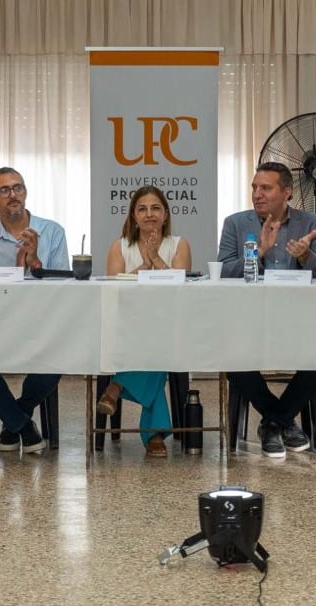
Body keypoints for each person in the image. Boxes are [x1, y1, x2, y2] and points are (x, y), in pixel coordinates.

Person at [217, 161, 316, 458]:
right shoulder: (235, 224)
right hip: (250, 318)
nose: (257, 194)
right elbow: (224, 272)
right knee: (230, 357)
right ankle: (281, 420)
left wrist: (306, 256)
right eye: (254, 187)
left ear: (287, 192)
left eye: (266, 188)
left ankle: (273, 422)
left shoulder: (311, 223)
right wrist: (260, 251)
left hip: (299, 319)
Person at [0, 166, 69, 455]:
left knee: (58, 359)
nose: (13, 195)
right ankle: (23, 426)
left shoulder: (52, 231)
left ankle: (13, 422)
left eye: (18, 188)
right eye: (5, 190)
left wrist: (35, 264)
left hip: (41, 325)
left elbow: (64, 287)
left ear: (25, 192)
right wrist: (15, 272)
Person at [98, 185, 192, 457]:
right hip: (127, 325)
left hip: (169, 323)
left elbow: (181, 286)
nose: (149, 214)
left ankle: (117, 385)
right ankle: (155, 435)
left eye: (155, 208)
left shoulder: (179, 244)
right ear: (133, 216)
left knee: (157, 339)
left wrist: (156, 259)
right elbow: (114, 289)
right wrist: (143, 266)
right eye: (142, 209)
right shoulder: (119, 246)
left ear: (165, 214)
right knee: (154, 346)